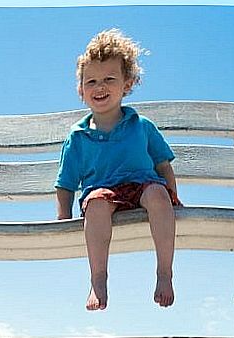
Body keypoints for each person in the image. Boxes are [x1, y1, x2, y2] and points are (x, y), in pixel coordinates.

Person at [55, 28, 182, 311]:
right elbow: (65, 183)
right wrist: (63, 217)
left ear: (127, 83)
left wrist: (173, 197)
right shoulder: (77, 136)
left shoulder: (142, 126)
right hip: (101, 193)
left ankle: (164, 273)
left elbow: (163, 165)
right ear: (81, 90)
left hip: (143, 187)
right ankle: (98, 280)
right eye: (92, 81)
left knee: (158, 195)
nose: (100, 87)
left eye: (109, 79)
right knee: (97, 205)